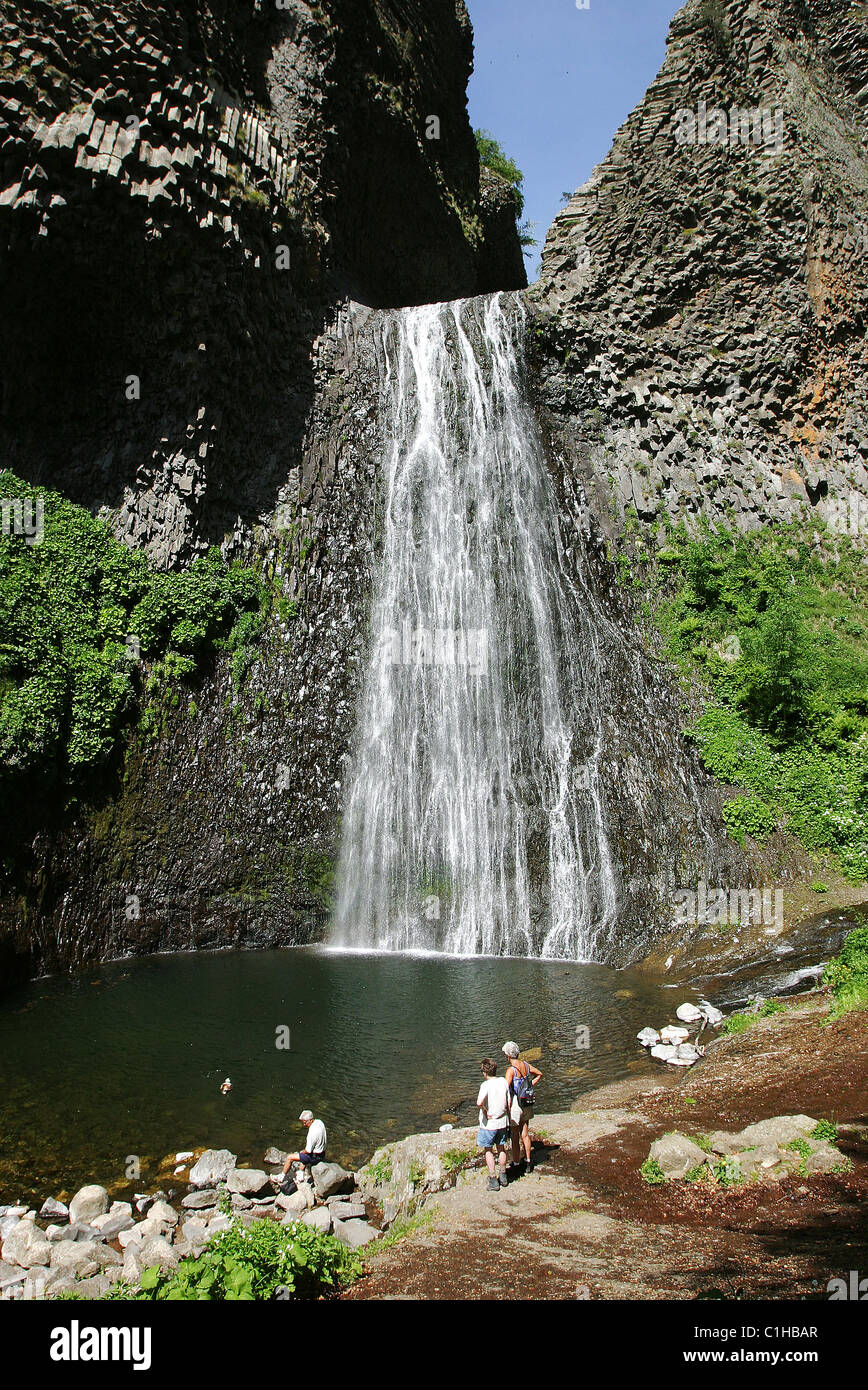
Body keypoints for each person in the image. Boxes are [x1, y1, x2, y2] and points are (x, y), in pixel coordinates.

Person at [503, 1041, 542, 1174]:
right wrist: (530, 1085)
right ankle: (528, 1162)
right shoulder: (526, 1065)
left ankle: (516, 1162)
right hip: (527, 1103)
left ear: (508, 1055)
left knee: (515, 1135)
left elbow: (505, 1089)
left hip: (515, 1105)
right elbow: (539, 1074)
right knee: (525, 1134)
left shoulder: (511, 1070)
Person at [476, 1058, 512, 1191]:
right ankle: (503, 1175)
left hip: (489, 1125)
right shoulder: (503, 1081)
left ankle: (493, 1179)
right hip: (502, 1122)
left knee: (488, 1150)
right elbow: (508, 1103)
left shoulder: (485, 1085)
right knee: (501, 1148)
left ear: (484, 1073)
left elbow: (479, 1103)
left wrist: (485, 1111)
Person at [282, 1109, 327, 1183]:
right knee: (303, 1159)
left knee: (290, 1157)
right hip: (322, 1153)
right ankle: (301, 1177)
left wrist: (302, 1152)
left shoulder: (312, 1133)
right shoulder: (319, 1122)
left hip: (315, 1157)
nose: (304, 1125)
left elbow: (308, 1151)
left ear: (310, 1120)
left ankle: (281, 1177)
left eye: (305, 1122)